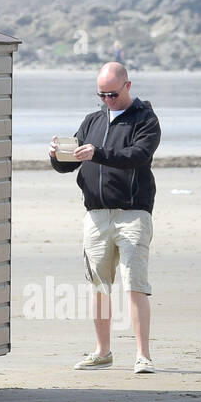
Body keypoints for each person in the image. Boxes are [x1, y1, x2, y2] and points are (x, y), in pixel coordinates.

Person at [49, 62, 161, 373]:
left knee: (134, 283)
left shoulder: (145, 119)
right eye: (101, 94)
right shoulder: (91, 121)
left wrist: (97, 153)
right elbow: (69, 165)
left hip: (133, 213)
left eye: (112, 94)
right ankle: (102, 352)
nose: (107, 100)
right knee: (98, 285)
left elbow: (138, 156)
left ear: (127, 86)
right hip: (95, 215)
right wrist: (57, 155)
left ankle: (143, 355)